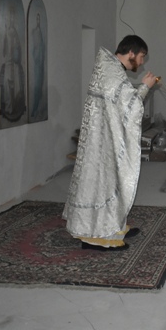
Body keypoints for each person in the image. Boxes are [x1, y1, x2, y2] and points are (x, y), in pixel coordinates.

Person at [63, 35, 158, 250]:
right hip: (103, 142)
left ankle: (114, 225)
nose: (142, 62)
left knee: (108, 183)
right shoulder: (112, 73)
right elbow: (130, 108)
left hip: (104, 138)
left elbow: (121, 104)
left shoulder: (111, 68)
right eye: (142, 56)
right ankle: (97, 237)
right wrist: (145, 87)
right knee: (103, 184)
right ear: (131, 53)